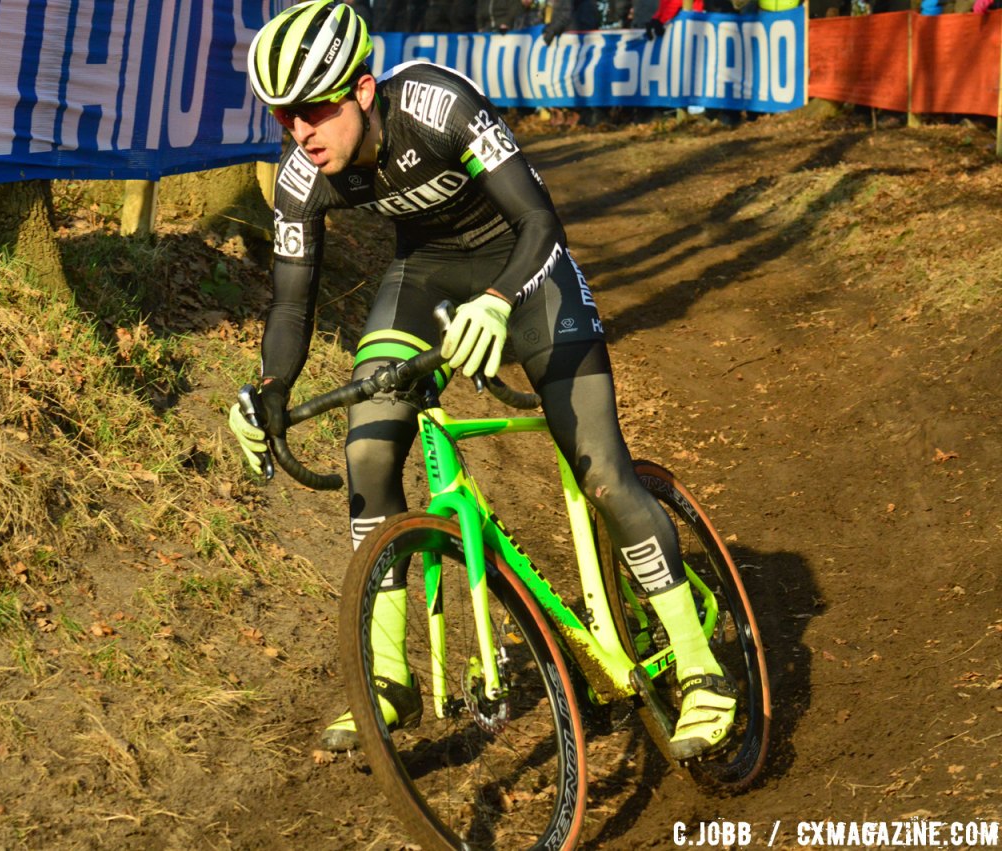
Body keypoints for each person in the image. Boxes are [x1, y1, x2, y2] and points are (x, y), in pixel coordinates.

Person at [230, 0, 736, 756]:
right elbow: (291, 299)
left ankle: (701, 669)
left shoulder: (438, 104)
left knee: (601, 471)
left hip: (528, 272)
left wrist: (499, 302)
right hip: (426, 281)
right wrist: (268, 387)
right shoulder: (303, 176)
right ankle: (389, 681)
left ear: (364, 90)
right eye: (283, 117)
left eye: (314, 109)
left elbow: (540, 221)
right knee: (367, 455)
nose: (300, 132)